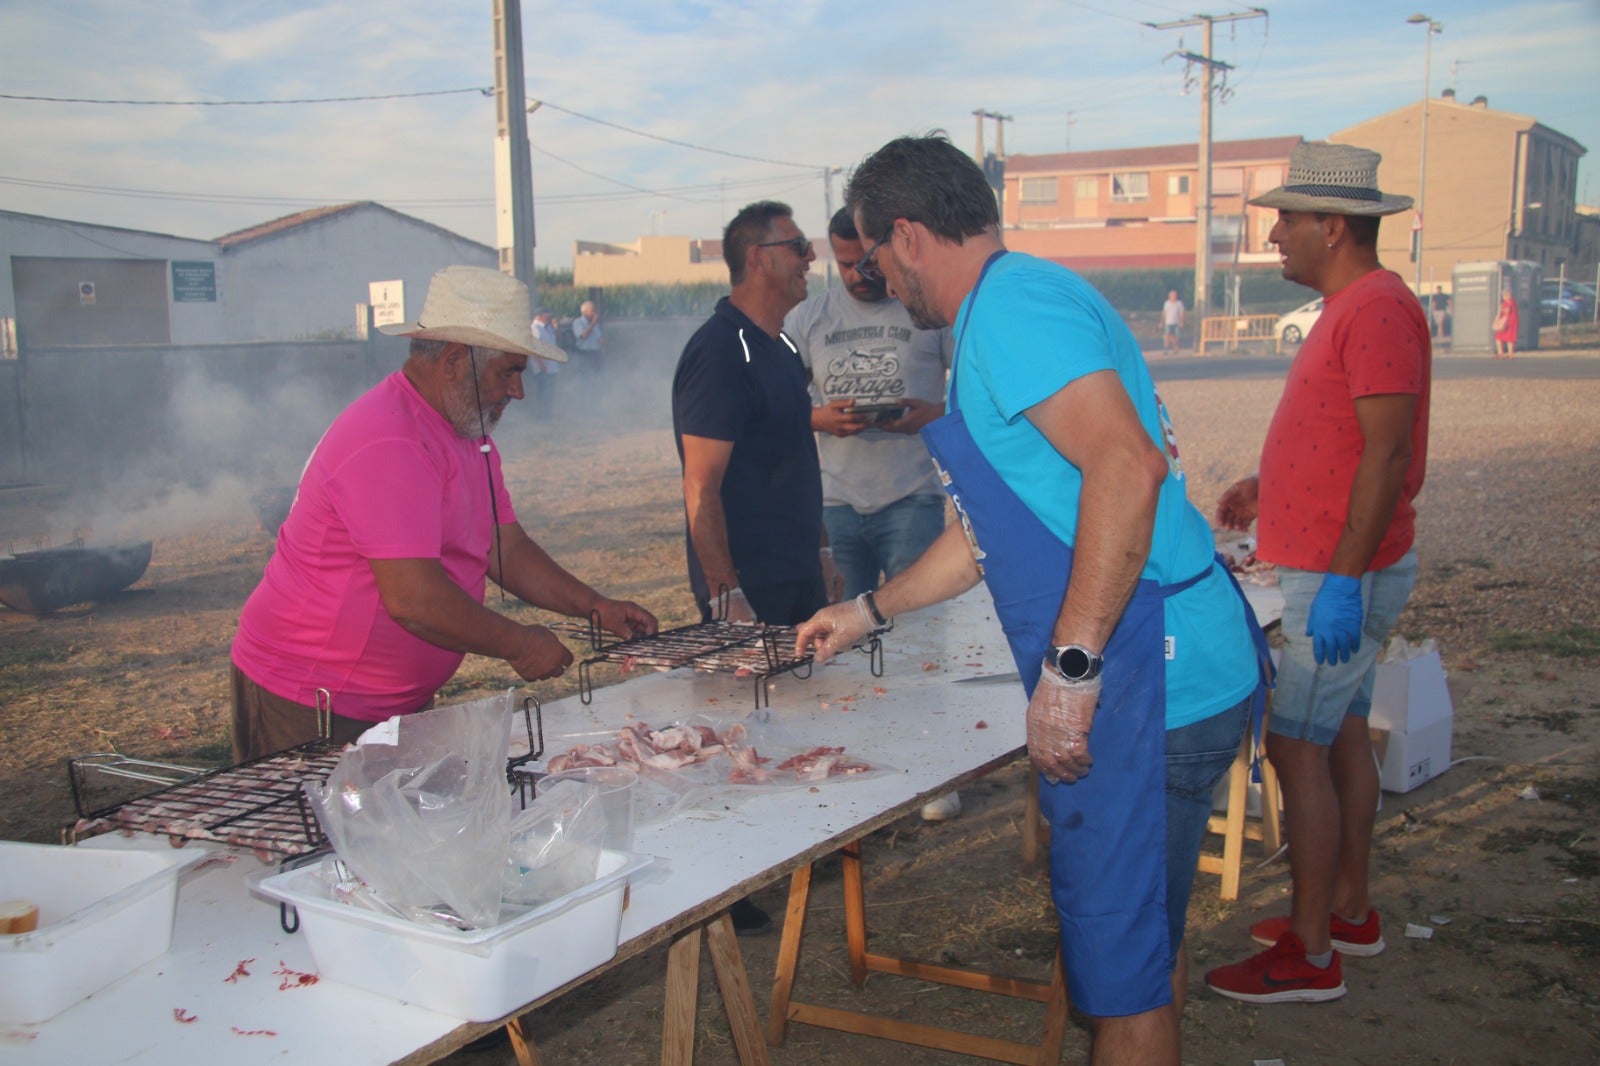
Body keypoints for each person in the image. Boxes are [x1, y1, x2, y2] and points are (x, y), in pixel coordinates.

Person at [793, 135, 1267, 1066]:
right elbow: (990, 530)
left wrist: (1072, 669)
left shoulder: (1008, 313)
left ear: (909, 234)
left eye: (878, 259)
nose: (882, 280)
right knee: (1144, 950)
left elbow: (1128, 471)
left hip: (1150, 678)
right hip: (1165, 668)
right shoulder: (1010, 308)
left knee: (1123, 983)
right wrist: (868, 612)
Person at [231, 265, 658, 763]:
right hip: (311, 703)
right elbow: (413, 599)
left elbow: (505, 546)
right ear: (455, 361)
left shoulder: (466, 432)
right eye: (509, 371)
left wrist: (595, 605)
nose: (519, 391)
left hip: (388, 703)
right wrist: (518, 644)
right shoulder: (391, 438)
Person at [1204, 141, 1431, 1006]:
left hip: (1341, 573)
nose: (1274, 237)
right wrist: (1272, 486)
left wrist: (1341, 577)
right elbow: (1348, 440)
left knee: (1296, 741)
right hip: (1339, 562)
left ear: (1332, 226)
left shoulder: (1372, 309)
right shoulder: (1356, 305)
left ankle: (1308, 952)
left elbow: (1387, 453)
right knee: (1339, 732)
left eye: (1286, 221)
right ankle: (1348, 909)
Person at [672, 201, 838, 934]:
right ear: (757, 258)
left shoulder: (777, 348)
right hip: (748, 581)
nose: (810, 257)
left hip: (796, 567)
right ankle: (728, 884)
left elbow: (796, 461)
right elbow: (700, 485)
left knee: (788, 720)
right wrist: (726, 589)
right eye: (797, 246)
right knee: (737, 733)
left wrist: (825, 550)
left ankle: (790, 846)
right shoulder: (719, 350)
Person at [785, 207, 957, 820]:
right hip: (834, 497)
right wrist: (820, 418)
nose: (861, 272)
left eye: (868, 259)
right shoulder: (807, 318)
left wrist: (928, 414)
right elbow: (777, 404)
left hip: (910, 492)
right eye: (845, 262)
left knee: (917, 631)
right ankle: (859, 760)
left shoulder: (926, 308)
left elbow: (966, 396)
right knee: (842, 637)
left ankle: (933, 768)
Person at [529, 308, 561, 417]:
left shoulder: (548, 328)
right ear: (540, 315)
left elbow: (555, 339)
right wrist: (540, 364)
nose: (549, 317)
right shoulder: (535, 328)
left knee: (550, 393)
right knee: (542, 392)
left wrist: (556, 327)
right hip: (543, 367)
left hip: (551, 367)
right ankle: (541, 416)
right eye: (547, 315)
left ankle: (547, 415)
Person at [572, 299, 603, 381]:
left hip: (595, 353)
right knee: (585, 379)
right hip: (584, 354)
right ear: (585, 312)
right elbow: (583, 336)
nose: (594, 313)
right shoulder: (578, 322)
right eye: (592, 311)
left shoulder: (595, 323)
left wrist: (600, 340)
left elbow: (598, 337)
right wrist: (592, 324)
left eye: (595, 311)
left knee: (597, 378)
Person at [1493, 287, 1518, 358]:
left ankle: (1504, 353)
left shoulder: (1508, 302)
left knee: (1503, 337)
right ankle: (1508, 353)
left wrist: (1501, 309)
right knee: (1505, 338)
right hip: (1510, 322)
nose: (1503, 297)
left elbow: (1507, 311)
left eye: (1503, 295)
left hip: (1508, 322)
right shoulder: (1512, 302)